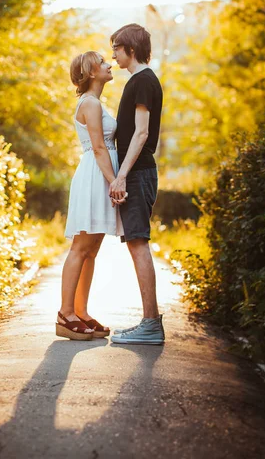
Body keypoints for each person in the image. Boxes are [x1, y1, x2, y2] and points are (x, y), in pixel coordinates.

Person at [56, 51, 125, 341]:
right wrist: (114, 182)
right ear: (91, 72)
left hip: (101, 176)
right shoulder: (90, 104)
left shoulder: (97, 103)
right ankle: (65, 314)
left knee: (92, 250)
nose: (110, 65)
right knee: (81, 247)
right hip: (96, 176)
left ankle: (81, 312)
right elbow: (98, 147)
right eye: (103, 63)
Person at [109, 23, 165, 345]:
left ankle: (150, 324)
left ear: (131, 49)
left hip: (138, 172)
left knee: (138, 242)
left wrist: (121, 175)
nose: (113, 53)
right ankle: (149, 323)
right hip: (138, 172)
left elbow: (141, 134)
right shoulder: (140, 81)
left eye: (117, 47)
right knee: (136, 242)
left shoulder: (142, 81)